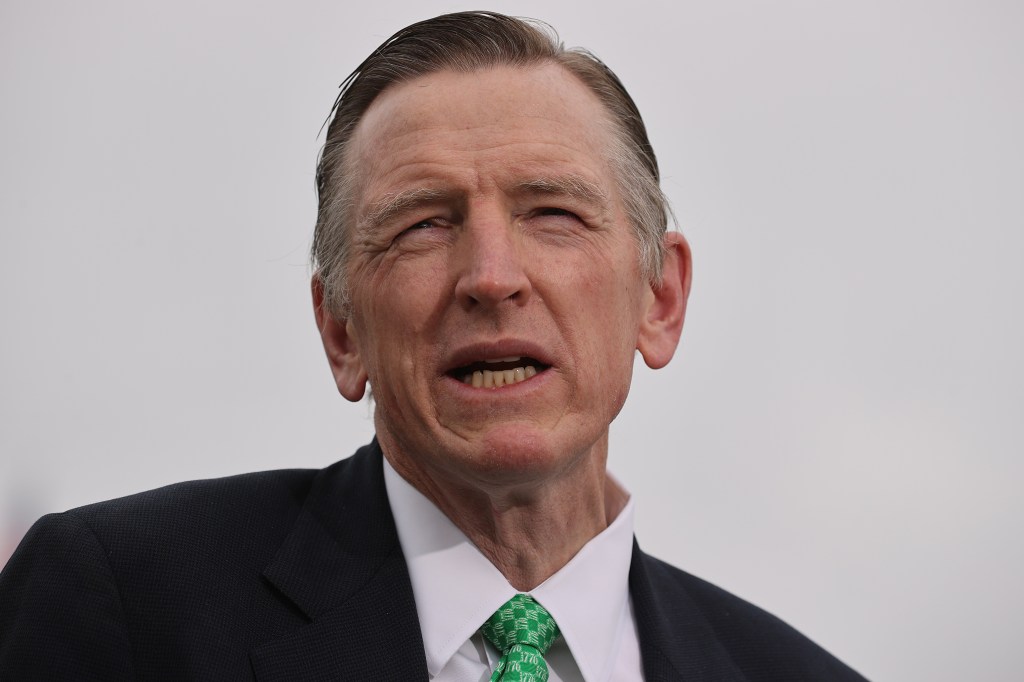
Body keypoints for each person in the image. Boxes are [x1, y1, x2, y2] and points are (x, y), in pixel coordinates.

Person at [0, 11, 866, 681]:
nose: (491, 276)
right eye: (421, 227)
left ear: (660, 299)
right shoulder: (127, 608)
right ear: (341, 330)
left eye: (552, 214)